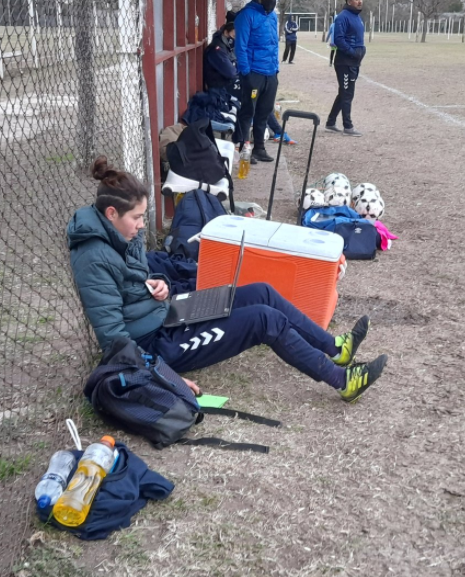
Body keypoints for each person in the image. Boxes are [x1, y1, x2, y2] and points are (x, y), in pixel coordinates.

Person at [67, 157, 387, 403]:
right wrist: (164, 376)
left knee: (262, 292)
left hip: (170, 312)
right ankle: (343, 381)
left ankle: (335, 348)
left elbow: (138, 278)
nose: (141, 225)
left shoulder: (122, 233)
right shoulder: (92, 258)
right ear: (111, 214)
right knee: (264, 320)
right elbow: (115, 340)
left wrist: (157, 284)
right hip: (157, 343)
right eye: (136, 218)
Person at [233, 0, 280, 165]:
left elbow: (274, 45)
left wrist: (276, 69)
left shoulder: (273, 16)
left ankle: (259, 148)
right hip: (253, 74)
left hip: (270, 74)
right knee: (248, 112)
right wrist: (246, 73)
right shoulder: (246, 15)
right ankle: (245, 149)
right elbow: (240, 46)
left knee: (264, 112)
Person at [325, 0, 366, 137]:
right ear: (349, 1)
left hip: (354, 62)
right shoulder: (342, 17)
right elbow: (339, 39)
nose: (359, 1)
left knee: (344, 92)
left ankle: (330, 122)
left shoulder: (357, 17)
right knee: (347, 94)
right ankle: (348, 126)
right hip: (345, 62)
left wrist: (361, 52)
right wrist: (352, 52)